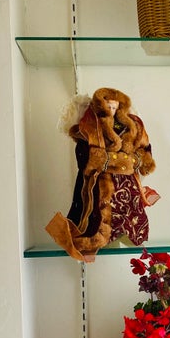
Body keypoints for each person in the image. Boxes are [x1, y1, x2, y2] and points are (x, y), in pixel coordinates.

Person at [46, 87, 158, 260]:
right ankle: (104, 238)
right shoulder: (90, 127)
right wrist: (123, 162)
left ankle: (126, 235)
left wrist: (135, 160)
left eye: (115, 107)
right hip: (100, 183)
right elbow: (88, 158)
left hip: (127, 186)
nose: (112, 110)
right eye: (109, 106)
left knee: (130, 213)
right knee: (98, 215)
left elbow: (143, 150)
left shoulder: (130, 126)